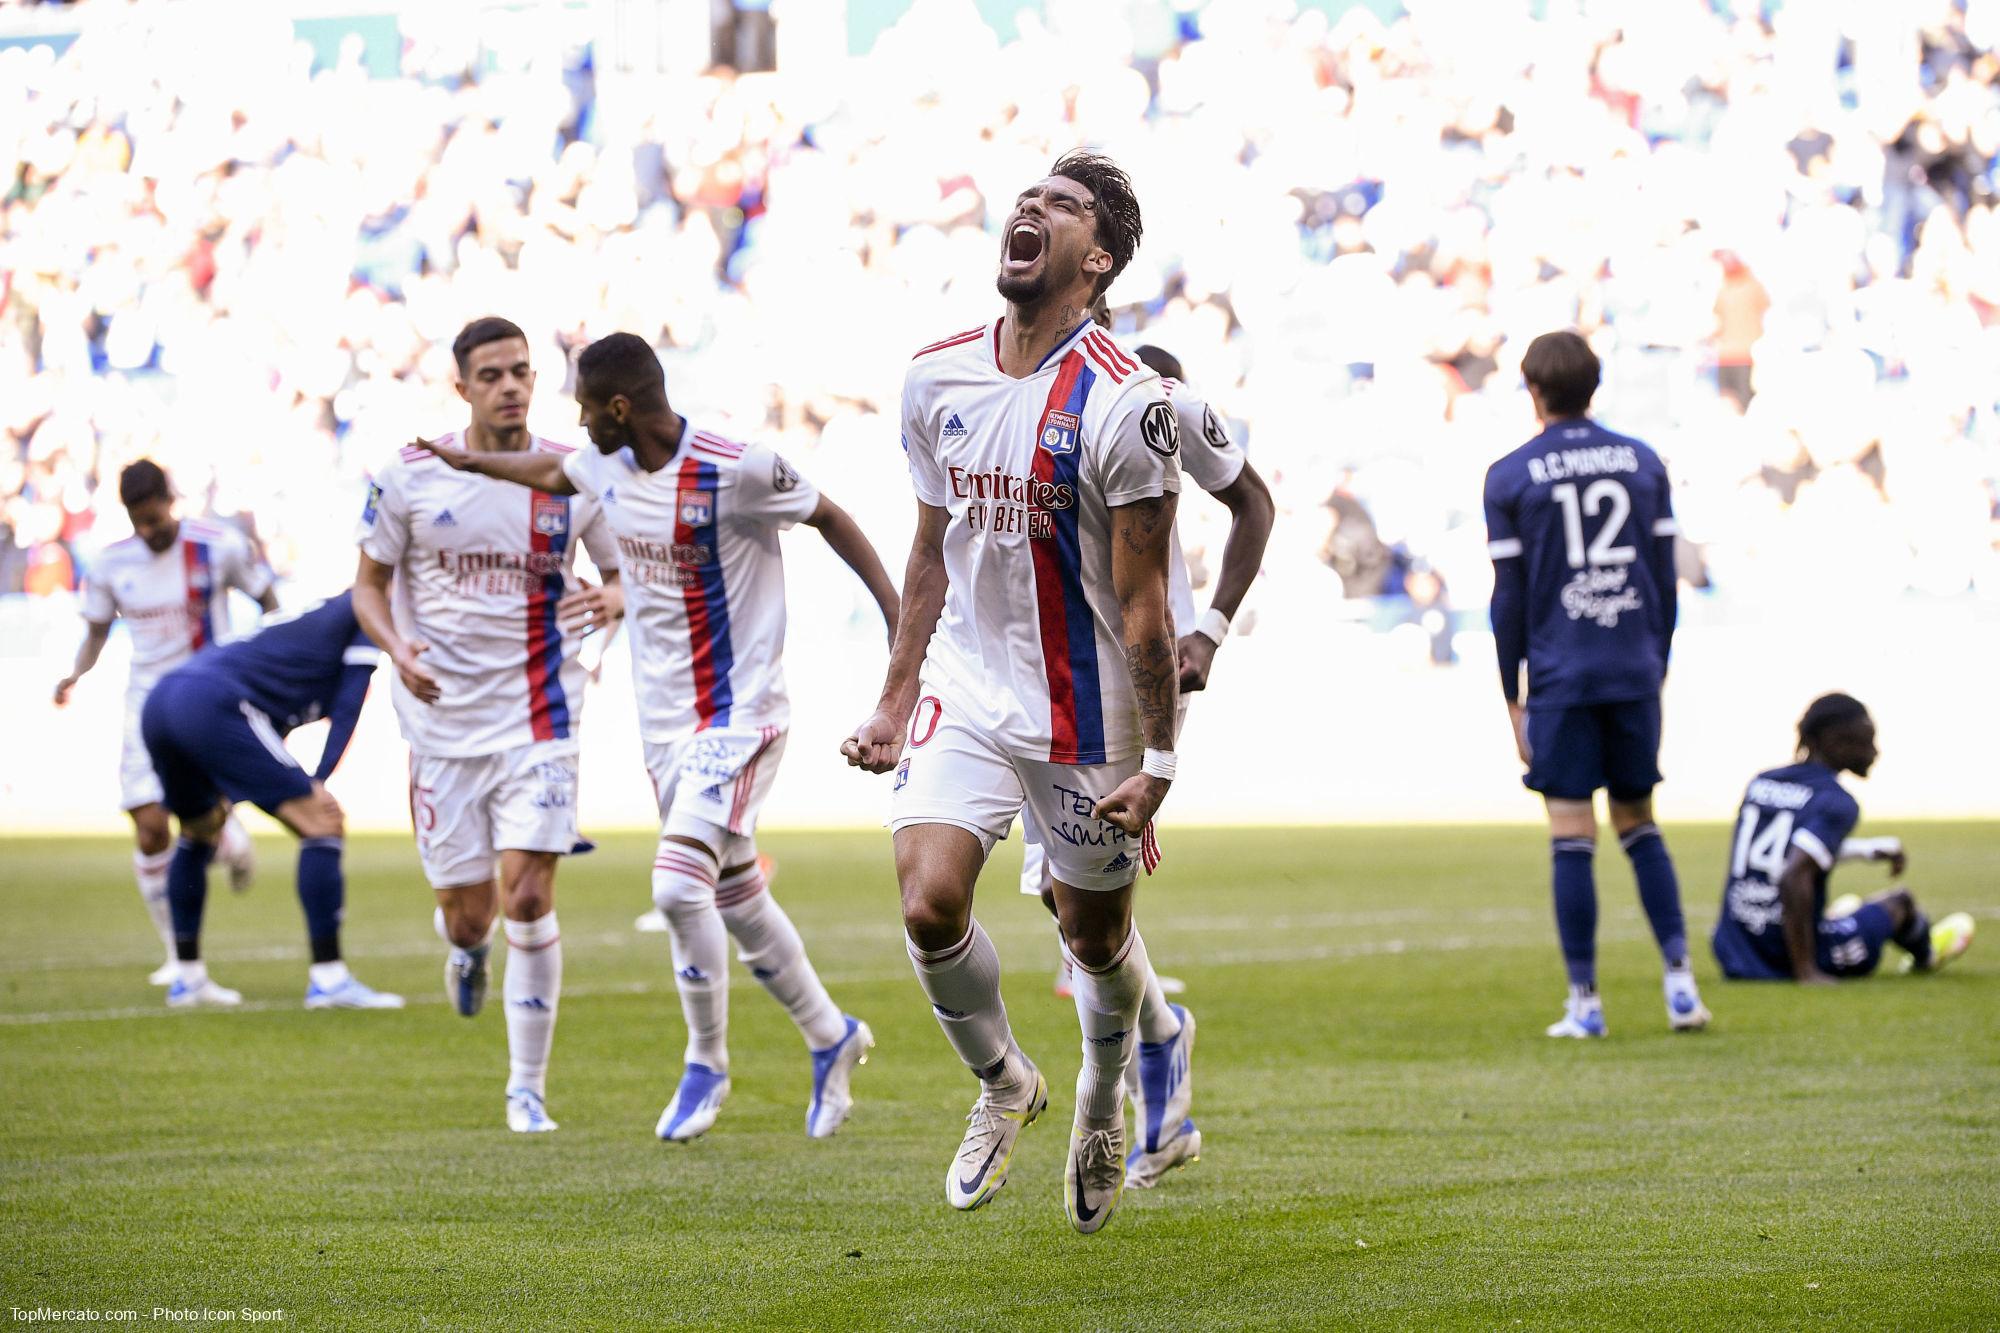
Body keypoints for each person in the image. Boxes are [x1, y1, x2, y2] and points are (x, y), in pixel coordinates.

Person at [414, 331, 899, 1143]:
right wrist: (469, 464)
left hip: (741, 712)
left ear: (618, 406)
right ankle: (830, 1035)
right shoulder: (603, 464)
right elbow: (549, 470)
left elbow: (831, 517)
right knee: (736, 895)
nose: (571, 420)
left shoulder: (734, 467)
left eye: (581, 405)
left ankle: (706, 1060)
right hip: (665, 722)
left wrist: (896, 619)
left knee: (678, 887)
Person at [843, 149, 1183, 1234]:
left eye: (1064, 207)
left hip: (1087, 710)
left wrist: (1157, 761)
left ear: (1099, 261)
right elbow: (930, 548)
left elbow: (1140, 608)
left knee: (1090, 938)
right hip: (968, 684)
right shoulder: (934, 374)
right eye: (1029, 197)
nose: (1032, 209)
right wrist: (895, 699)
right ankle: (1002, 1081)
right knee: (926, 898)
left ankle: (1097, 1089)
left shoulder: (1128, 406)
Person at [352, 316, 623, 1134]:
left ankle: (526, 1087)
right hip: (442, 726)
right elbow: (366, 586)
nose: (511, 385)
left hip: (541, 714)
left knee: (529, 893)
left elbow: (625, 572)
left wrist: (614, 597)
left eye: (522, 371)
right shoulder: (407, 477)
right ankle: (465, 951)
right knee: (471, 914)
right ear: (462, 386)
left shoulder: (571, 476)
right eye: (493, 374)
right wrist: (397, 647)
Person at [1017, 332, 1275, 1191]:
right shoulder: (1025, 390)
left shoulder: (1160, 401)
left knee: (1082, 898)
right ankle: (1161, 1037)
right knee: (1063, 901)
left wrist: (1213, 628)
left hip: (1132, 683)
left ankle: (1152, 1062)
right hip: (1039, 680)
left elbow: (1255, 504)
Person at [1484, 330, 1710, 1039]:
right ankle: (1680, 985)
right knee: (1640, 821)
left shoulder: (1512, 474)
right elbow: (1665, 577)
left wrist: (1511, 694)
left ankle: (1586, 1001)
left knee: (1572, 832)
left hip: (1561, 672)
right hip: (1633, 666)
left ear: (1533, 389)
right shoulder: (1644, 462)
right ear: (1595, 385)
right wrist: (1657, 657)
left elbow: (1509, 600)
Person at [55, 460, 275, 987]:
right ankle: (179, 957)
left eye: (154, 519)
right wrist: (75, 674)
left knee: (202, 820)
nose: (148, 531)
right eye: (138, 522)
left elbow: (266, 597)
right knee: (151, 827)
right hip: (146, 706)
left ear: (170, 500)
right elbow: (97, 632)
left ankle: (225, 836)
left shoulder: (217, 546)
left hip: (207, 699)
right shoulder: (111, 565)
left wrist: (264, 659)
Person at [139, 591, 402, 1011]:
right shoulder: (366, 608)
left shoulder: (318, 616)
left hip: (163, 700)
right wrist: (319, 780)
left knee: (200, 827)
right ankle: (330, 980)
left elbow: (271, 706)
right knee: (323, 821)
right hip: (214, 701)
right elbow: (351, 702)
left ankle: (188, 979)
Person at [1711, 693, 1974, 983]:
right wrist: (1806, 971)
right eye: (1865, 742)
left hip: (1736, 951)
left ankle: (1834, 920)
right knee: (1901, 901)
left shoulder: (1763, 781)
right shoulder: (1838, 802)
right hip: (1785, 957)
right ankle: (1926, 954)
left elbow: (1783, 852)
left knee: (1820, 890)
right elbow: (1792, 876)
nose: (1875, 752)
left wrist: (1865, 850)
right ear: (1834, 742)